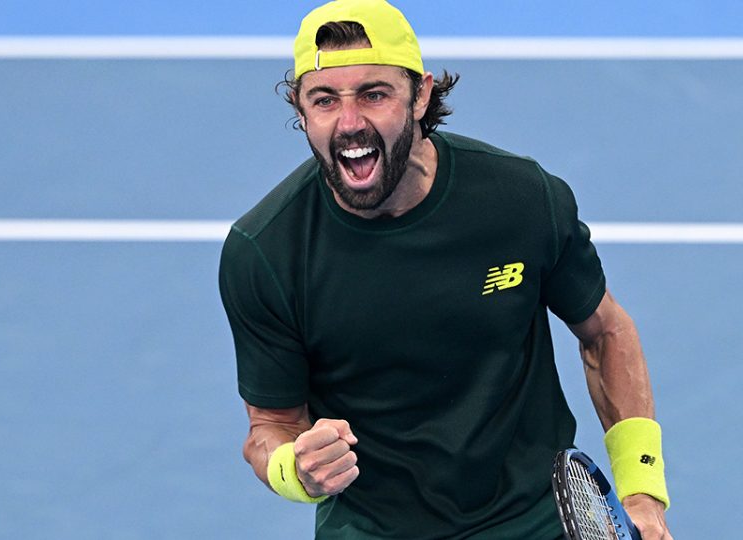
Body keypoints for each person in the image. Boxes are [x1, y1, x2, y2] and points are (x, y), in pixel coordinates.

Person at [219, 1, 673, 538]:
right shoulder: (266, 250)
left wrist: (642, 492)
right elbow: (270, 426)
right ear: (302, 109)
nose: (349, 123)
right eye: (324, 100)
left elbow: (605, 332)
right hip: (375, 528)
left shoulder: (523, 199)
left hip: (532, 517)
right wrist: (294, 468)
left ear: (421, 95)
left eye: (374, 94)